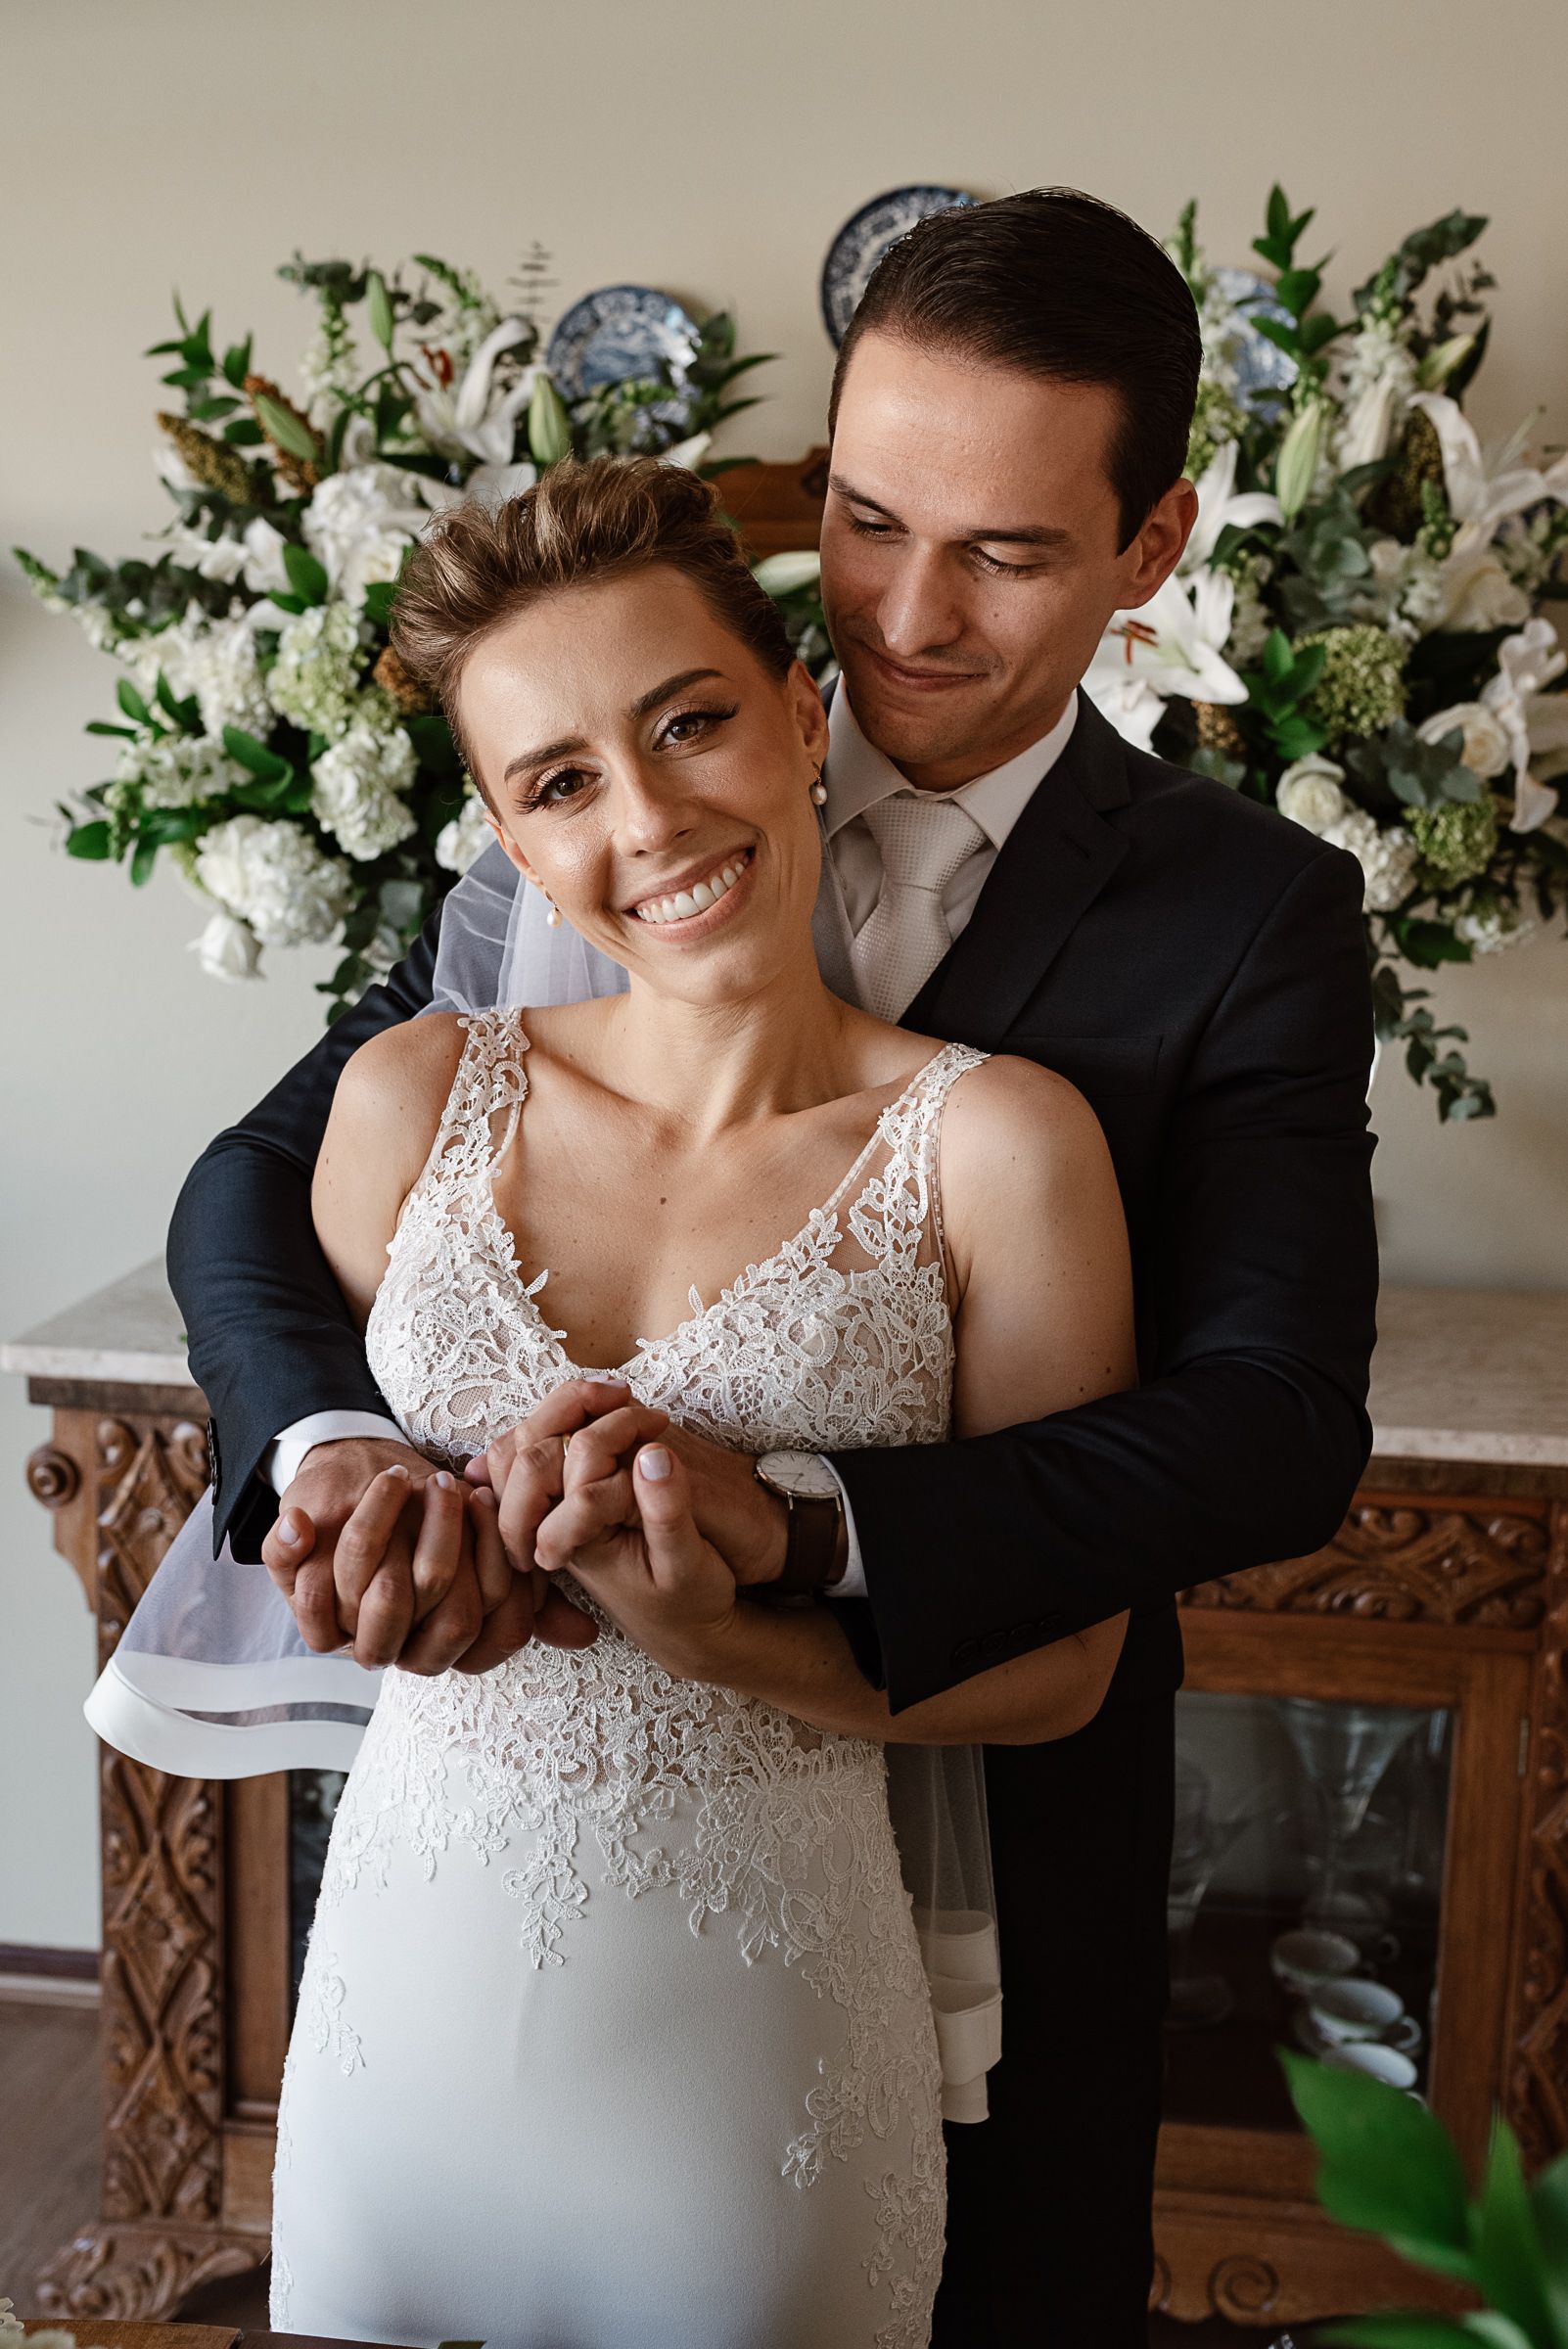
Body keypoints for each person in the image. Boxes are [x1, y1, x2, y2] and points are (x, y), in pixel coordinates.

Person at [169, 189, 1378, 2344]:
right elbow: (254, 1187)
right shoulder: (609, 775)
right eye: (869, 515)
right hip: (496, 1897)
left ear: (1153, 543)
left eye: (1006, 552)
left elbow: (1275, 1420)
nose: (910, 611)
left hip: (993, 1780)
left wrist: (805, 1536)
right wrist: (334, 1445)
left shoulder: (1247, 912)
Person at [266, 451, 1133, 2348]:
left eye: (692, 725)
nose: (648, 819)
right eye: (560, 783)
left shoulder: (998, 1149)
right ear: (502, 836)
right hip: (399, 2002)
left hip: (762, 2047)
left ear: (805, 714)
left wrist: (735, 1645)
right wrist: (369, 1539)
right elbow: (309, 1502)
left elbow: (1067, 1665)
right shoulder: (411, 1102)